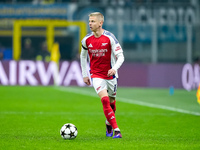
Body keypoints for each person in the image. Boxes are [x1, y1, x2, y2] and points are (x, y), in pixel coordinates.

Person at [80, 12, 124, 139]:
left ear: (100, 23)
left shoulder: (110, 37)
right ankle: (117, 130)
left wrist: (114, 68)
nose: (90, 23)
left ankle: (108, 123)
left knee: (112, 104)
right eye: (89, 21)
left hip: (110, 75)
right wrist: (85, 74)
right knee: (104, 100)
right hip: (96, 75)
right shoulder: (86, 40)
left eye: (93, 21)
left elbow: (121, 56)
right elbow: (83, 57)